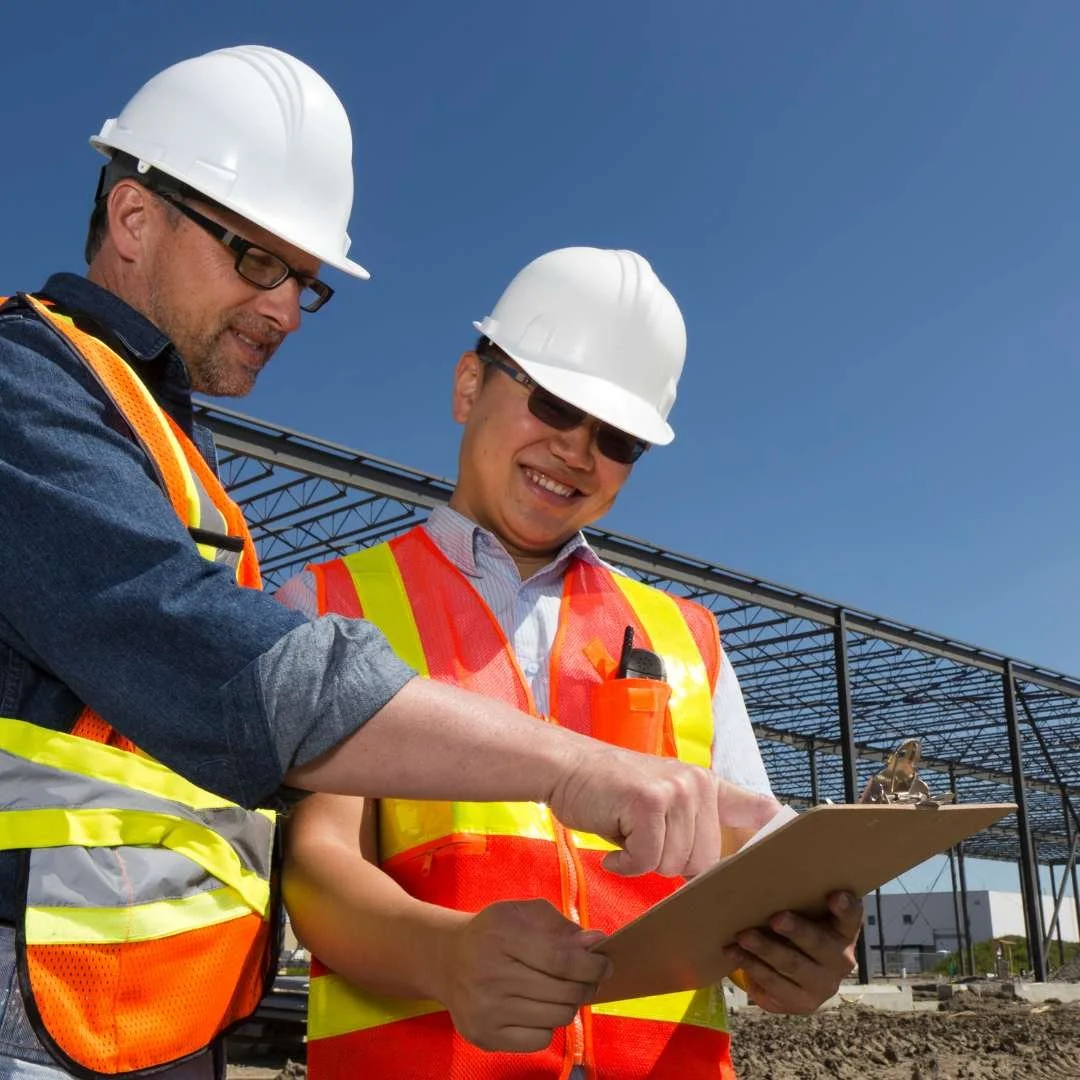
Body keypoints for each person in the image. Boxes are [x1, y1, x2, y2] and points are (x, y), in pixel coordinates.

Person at [0, 51, 778, 1080]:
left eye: (304, 283)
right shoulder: (30, 387)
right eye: (257, 261)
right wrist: (570, 770)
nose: (283, 310)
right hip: (43, 998)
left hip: (132, 1006)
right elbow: (206, 654)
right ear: (136, 218)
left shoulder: (171, 456)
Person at [281, 247, 863, 1080]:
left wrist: (794, 960)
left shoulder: (686, 635)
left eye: (617, 438)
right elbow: (317, 866)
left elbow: (751, 880)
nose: (577, 452)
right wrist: (444, 957)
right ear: (468, 387)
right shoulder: (337, 602)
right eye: (553, 404)